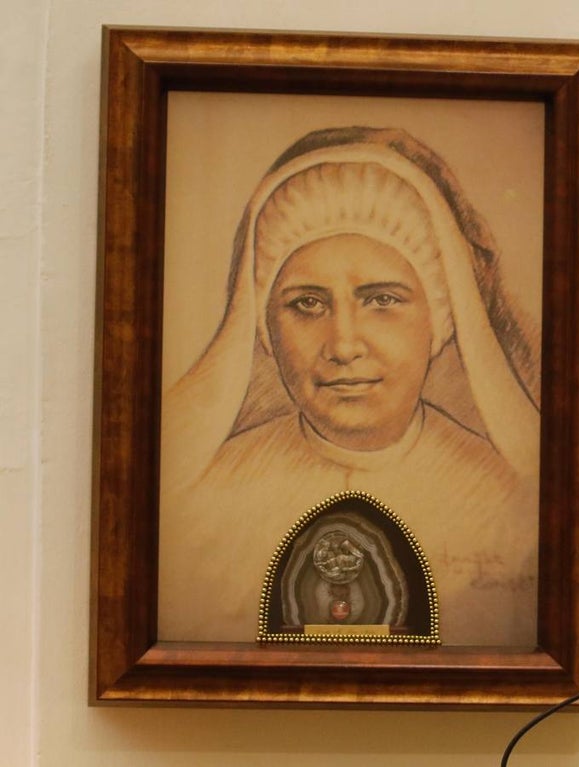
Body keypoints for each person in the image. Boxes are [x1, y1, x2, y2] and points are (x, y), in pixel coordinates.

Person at [157, 126, 541, 647]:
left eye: (381, 300)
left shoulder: (505, 501)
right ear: (265, 327)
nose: (343, 344)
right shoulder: (200, 500)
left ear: (440, 319)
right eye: (307, 304)